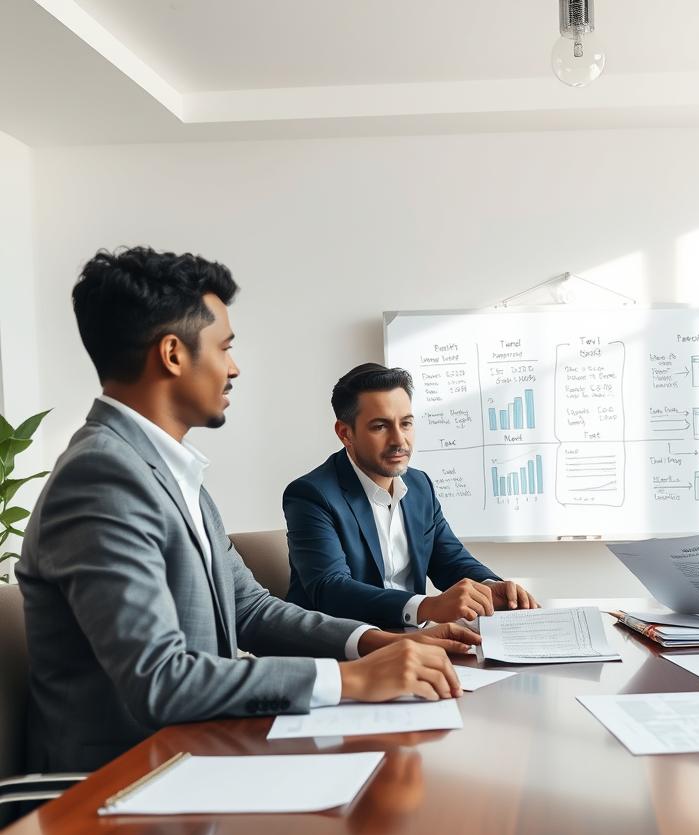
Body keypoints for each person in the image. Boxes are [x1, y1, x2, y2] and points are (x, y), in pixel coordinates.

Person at [17, 248, 475, 773]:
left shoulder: (170, 470)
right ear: (172, 354)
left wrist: (383, 643)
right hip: (119, 787)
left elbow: (252, 609)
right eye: (224, 347)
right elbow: (160, 679)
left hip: (197, 755)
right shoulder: (101, 477)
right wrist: (353, 680)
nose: (233, 368)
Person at [283, 363, 539, 628]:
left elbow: (449, 560)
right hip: (346, 647)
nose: (399, 440)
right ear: (345, 433)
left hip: (415, 637)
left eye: (405, 424)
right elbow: (331, 590)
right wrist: (427, 606)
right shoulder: (311, 495)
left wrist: (489, 587)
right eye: (380, 426)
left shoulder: (419, 485)